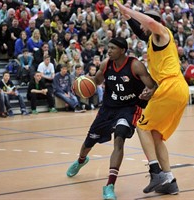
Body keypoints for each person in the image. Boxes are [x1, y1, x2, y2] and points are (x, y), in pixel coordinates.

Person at [66, 37, 156, 199]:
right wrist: (81, 85)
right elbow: (96, 81)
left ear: (122, 50)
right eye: (109, 47)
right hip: (108, 108)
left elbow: (152, 85)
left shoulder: (135, 65)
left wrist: (150, 92)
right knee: (90, 141)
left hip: (129, 108)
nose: (109, 51)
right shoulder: (106, 64)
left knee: (119, 138)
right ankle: (80, 161)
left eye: (113, 48)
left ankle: (109, 185)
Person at [116, 2, 189, 195]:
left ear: (152, 24)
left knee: (141, 125)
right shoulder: (152, 42)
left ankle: (155, 171)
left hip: (172, 87)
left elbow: (148, 22)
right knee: (155, 135)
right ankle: (169, 179)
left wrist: (127, 10)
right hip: (175, 88)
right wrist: (152, 88)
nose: (141, 26)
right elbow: (141, 31)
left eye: (143, 23)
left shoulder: (162, 33)